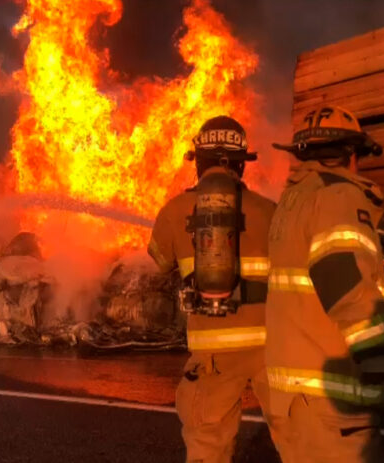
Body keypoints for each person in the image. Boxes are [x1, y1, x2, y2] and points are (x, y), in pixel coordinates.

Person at [147, 115, 282, 463]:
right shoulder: (271, 211)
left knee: (208, 444)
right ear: (241, 164)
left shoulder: (175, 211)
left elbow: (160, 262)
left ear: (199, 162)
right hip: (272, 346)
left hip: (213, 352)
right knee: (297, 439)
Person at [268, 105, 384, 462]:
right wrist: (377, 358)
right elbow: (343, 280)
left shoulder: (293, 199)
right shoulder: (339, 197)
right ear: (352, 155)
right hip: (331, 397)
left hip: (292, 396)